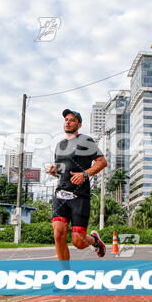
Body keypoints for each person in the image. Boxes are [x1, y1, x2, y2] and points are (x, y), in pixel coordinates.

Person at [45, 109, 108, 267]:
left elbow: (102, 162)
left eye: (72, 120)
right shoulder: (60, 145)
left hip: (80, 196)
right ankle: (65, 275)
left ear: (79, 124)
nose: (67, 122)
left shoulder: (86, 140)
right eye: (66, 119)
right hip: (61, 193)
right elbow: (62, 172)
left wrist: (85, 174)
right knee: (58, 232)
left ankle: (94, 240)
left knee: (79, 242)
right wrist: (54, 171)